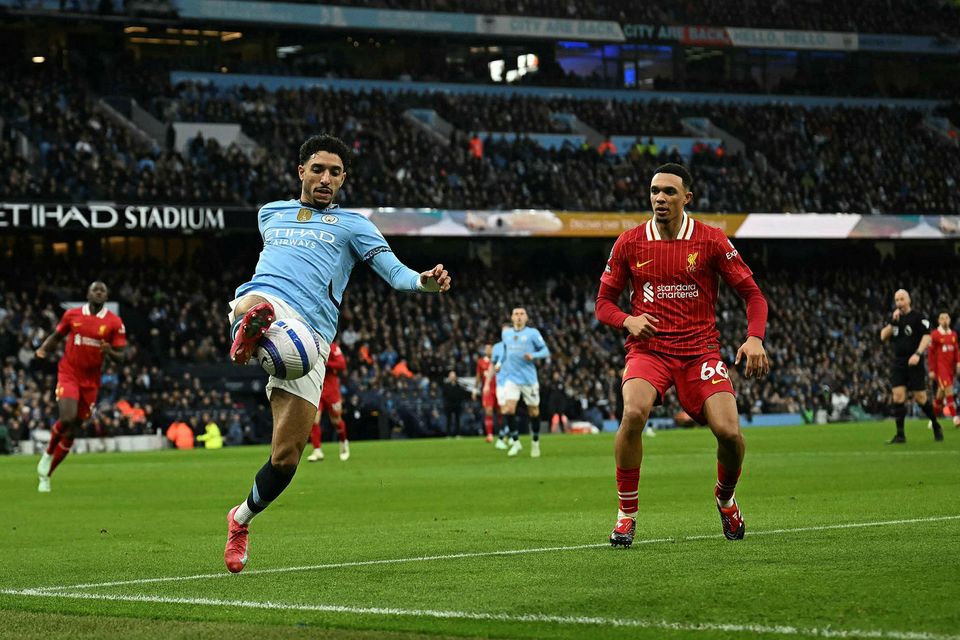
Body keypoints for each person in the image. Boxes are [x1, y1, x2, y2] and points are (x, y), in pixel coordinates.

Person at [223, 133, 451, 573]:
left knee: (286, 457)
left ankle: (241, 518)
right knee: (254, 301)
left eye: (335, 172)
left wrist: (424, 281)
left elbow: (395, 273)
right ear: (300, 171)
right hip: (268, 301)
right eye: (318, 169)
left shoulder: (354, 225)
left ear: (344, 178)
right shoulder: (270, 213)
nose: (325, 178)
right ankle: (247, 330)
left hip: (310, 336)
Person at [595, 163, 770, 547]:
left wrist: (754, 338)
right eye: (655, 190)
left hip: (700, 353)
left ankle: (725, 498)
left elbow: (753, 295)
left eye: (670, 192)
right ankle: (626, 515)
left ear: (687, 198)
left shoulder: (711, 240)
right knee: (633, 412)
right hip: (649, 351)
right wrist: (628, 320)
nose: (660, 198)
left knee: (730, 435)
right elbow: (603, 303)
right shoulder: (629, 242)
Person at [34, 281, 126, 493]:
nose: (99, 292)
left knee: (74, 429)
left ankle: (46, 476)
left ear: (107, 296)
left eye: (103, 290)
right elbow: (57, 336)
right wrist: (42, 350)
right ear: (88, 293)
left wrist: (108, 351)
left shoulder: (114, 323)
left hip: (91, 381)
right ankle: (47, 454)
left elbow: (121, 357)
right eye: (96, 289)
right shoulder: (72, 315)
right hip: (69, 373)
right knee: (67, 417)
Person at [880, 290, 942, 443]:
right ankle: (900, 434)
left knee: (920, 398)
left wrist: (918, 353)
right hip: (899, 362)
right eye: (897, 300)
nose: (899, 302)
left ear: (908, 300)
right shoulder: (894, 318)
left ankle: (935, 423)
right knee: (898, 396)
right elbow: (883, 336)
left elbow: (927, 336)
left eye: (902, 299)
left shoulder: (918, 317)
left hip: (914, 361)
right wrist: (892, 323)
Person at [495, 308, 550, 457]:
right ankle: (516, 442)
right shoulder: (506, 334)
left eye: (522, 314)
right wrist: (499, 363)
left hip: (528, 379)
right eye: (516, 314)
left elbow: (546, 351)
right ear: (512, 318)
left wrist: (534, 355)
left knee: (534, 411)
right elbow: (505, 352)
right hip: (511, 378)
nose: (519, 317)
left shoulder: (532, 333)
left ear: (526, 318)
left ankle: (535, 442)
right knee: (509, 409)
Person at [307, 340, 350, 461]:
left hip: (331, 390)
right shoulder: (310, 345)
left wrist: (325, 362)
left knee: (336, 420)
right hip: (317, 388)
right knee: (314, 420)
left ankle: (343, 442)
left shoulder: (332, 347)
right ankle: (317, 450)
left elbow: (342, 364)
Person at [928, 312, 960, 427]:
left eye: (946, 318)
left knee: (939, 397)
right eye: (942, 318)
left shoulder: (953, 335)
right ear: (938, 321)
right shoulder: (935, 334)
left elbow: (956, 350)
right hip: (940, 369)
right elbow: (930, 354)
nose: (944, 320)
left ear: (950, 320)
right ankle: (956, 417)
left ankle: (932, 419)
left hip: (950, 369)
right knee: (949, 391)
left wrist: (958, 363)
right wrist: (931, 369)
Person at [473, 343, 499, 443]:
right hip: (487, 390)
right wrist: (475, 390)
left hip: (498, 389)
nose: (488, 350)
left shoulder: (498, 361)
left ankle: (503, 433)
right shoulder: (481, 362)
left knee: (501, 412)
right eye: (487, 348)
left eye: (490, 348)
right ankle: (490, 434)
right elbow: (478, 376)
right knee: (488, 411)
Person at [441, 370, 469, 436]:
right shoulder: (446, 386)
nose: (453, 377)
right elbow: (444, 395)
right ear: (449, 377)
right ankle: (448, 434)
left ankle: (458, 434)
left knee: (457, 420)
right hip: (449, 405)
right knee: (449, 420)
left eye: (454, 376)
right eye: (451, 376)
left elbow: (462, 395)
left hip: (457, 405)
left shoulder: (458, 386)